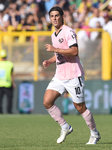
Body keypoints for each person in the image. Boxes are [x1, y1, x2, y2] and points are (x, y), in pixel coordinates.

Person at [42, 6, 101, 145]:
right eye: (52, 16)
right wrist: (50, 61)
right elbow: (59, 54)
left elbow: (74, 51)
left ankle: (94, 133)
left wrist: (54, 49)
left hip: (74, 75)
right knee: (47, 102)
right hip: (60, 75)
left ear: (62, 16)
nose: (54, 18)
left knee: (80, 107)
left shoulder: (69, 31)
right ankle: (65, 126)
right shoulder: (53, 35)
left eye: (57, 15)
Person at [0, 49, 16, 114]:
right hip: (8, 84)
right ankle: (9, 111)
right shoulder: (10, 64)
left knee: (0, 99)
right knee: (9, 98)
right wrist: (13, 83)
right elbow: (11, 74)